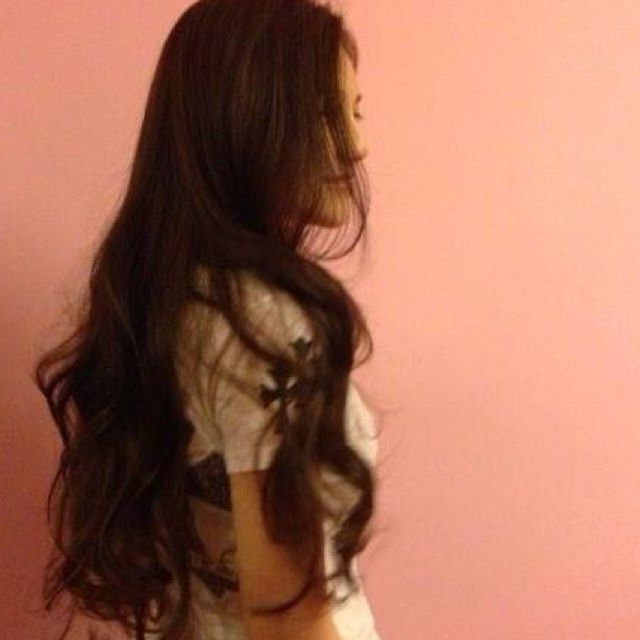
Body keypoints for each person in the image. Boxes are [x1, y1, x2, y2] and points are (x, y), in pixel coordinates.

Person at [33, 1, 382, 639]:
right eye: (323, 115)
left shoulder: (166, 296)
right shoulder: (265, 322)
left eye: (355, 113)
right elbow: (288, 620)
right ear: (243, 119)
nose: (357, 145)